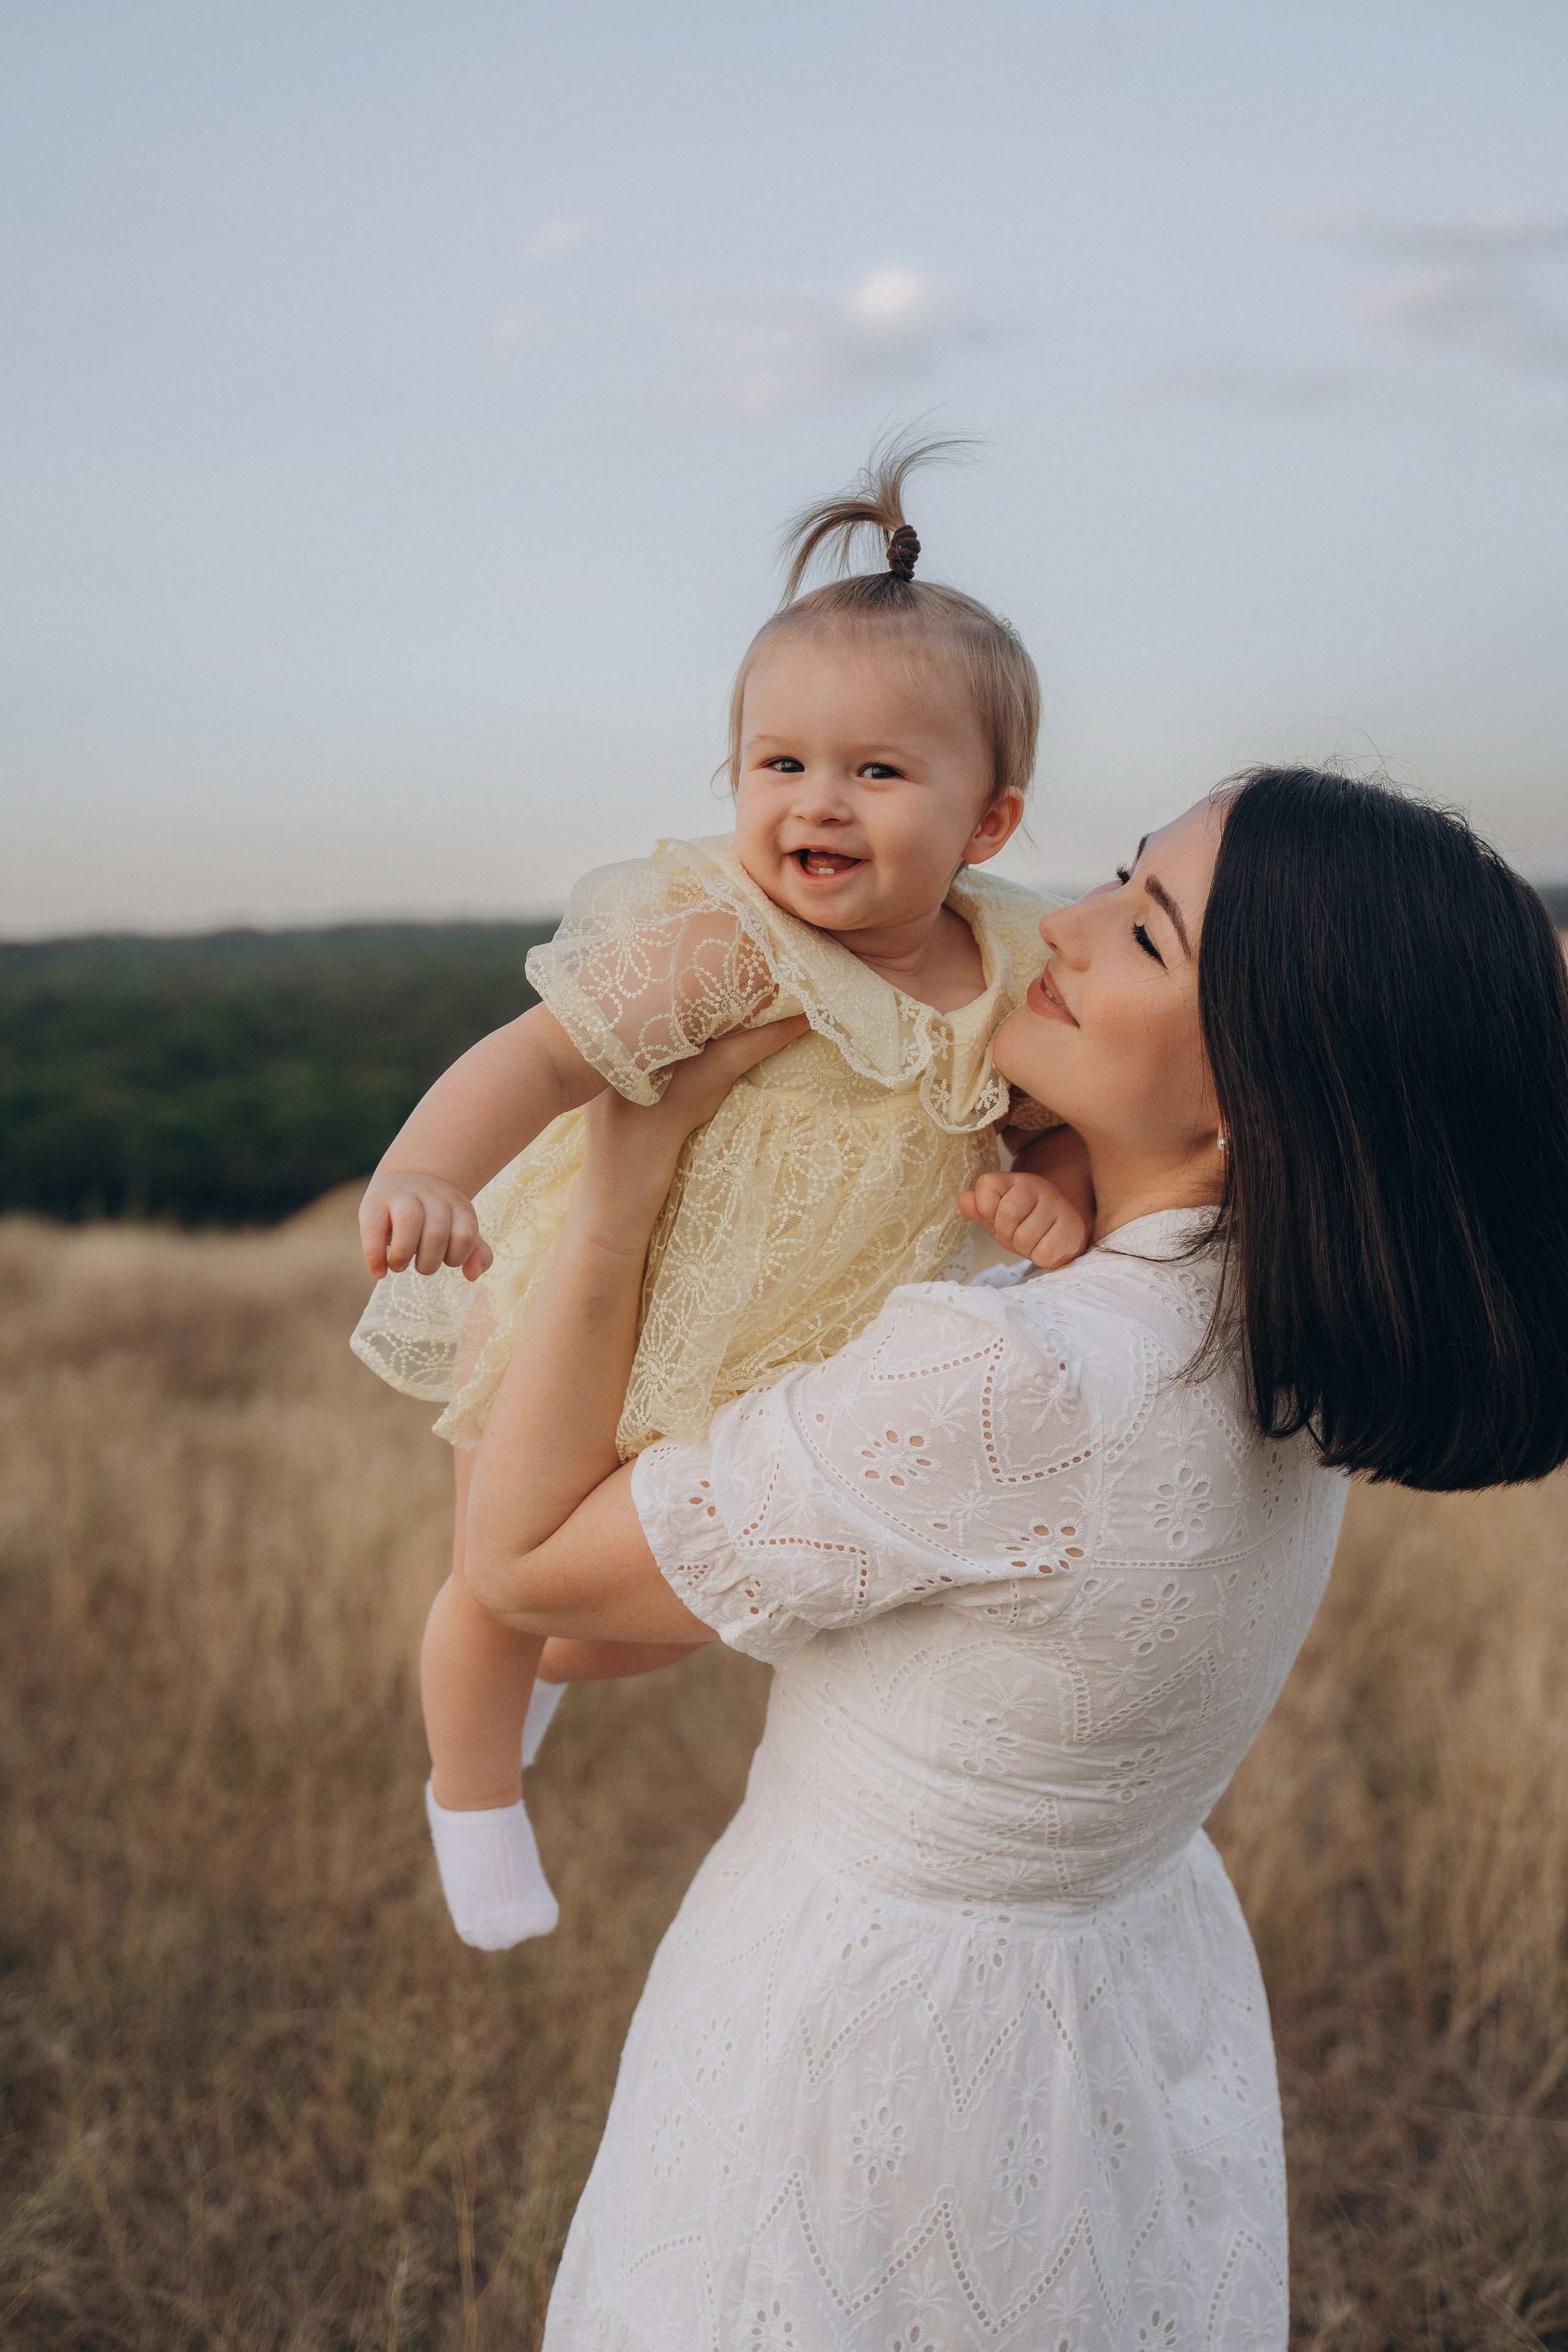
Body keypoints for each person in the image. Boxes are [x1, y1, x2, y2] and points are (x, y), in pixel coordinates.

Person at [458, 767, 1568, 2350]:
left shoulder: (1021, 1380)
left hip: (876, 2051)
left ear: (1261, 1090)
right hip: (1116, 1998)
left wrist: (624, 1187)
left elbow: (520, 1574)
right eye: (1122, 876)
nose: (1072, 924)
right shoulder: (1269, 1334)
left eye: (1153, 934)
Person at [350, 436, 1089, 1950]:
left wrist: (1049, 1190)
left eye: (878, 772)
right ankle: (471, 1799)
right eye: (782, 764)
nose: (817, 804)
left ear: (987, 823)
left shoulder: (1009, 967)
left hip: (777, 1355)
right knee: (491, 1579)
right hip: (590, 1304)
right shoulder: (723, 943)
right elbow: (537, 1060)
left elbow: (1047, 1117)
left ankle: (549, 1686)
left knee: (654, 1619)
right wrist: (429, 1165)